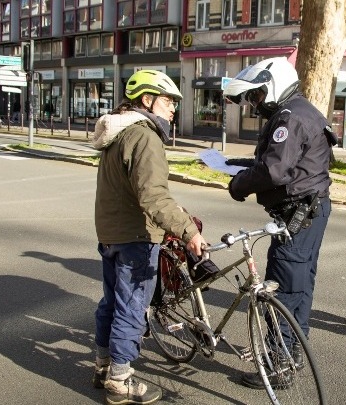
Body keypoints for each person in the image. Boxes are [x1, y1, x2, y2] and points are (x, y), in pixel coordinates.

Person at [91, 69, 207, 405]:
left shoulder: (118, 131)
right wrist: (188, 230)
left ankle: (102, 365)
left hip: (111, 232)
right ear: (147, 100)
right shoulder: (144, 136)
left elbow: (127, 189)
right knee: (132, 306)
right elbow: (152, 195)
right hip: (136, 236)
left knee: (111, 301)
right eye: (168, 101)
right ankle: (120, 379)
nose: (173, 109)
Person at [223, 57, 337, 388]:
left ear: (274, 85)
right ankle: (293, 353)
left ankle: (278, 365)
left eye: (257, 96)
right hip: (307, 212)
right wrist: (240, 165)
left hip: (298, 215)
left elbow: (274, 171)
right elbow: (282, 161)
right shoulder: (299, 110)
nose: (255, 104)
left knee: (283, 290)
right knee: (299, 287)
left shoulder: (289, 117)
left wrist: (238, 184)